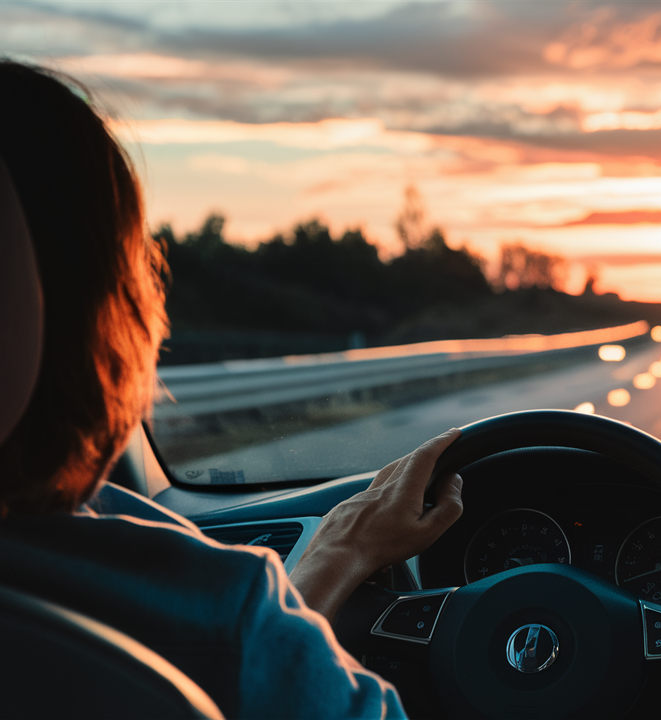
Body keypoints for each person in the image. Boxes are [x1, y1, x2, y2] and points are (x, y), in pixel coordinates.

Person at [0, 60, 464, 718]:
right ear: (111, 320)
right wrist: (337, 553)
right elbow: (245, 663)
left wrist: (335, 555)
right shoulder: (217, 616)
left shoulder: (219, 618)